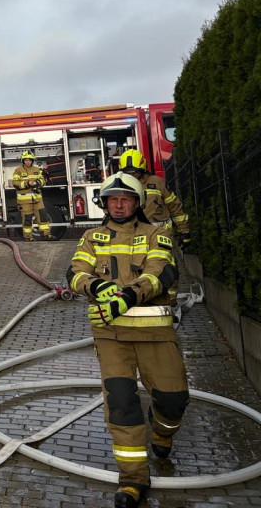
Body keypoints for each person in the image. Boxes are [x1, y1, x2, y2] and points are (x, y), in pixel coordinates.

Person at [66, 174, 188, 508]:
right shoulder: (92, 237)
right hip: (111, 336)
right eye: (112, 199)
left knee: (173, 399)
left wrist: (130, 296)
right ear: (104, 203)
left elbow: (160, 273)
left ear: (136, 203)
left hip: (155, 333)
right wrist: (96, 287)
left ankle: (163, 433)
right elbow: (75, 272)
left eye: (126, 199)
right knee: (121, 404)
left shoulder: (156, 233)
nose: (119, 205)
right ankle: (133, 479)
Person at [118, 149, 191, 251]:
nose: (131, 175)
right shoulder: (118, 186)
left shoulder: (157, 183)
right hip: (131, 240)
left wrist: (184, 231)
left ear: (142, 169)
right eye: (127, 172)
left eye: (134, 172)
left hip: (160, 238)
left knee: (162, 265)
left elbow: (174, 206)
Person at [11, 150, 51, 240]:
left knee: (43, 216)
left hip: (37, 198)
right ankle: (28, 237)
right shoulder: (18, 170)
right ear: (23, 161)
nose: (28, 162)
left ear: (32, 161)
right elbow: (15, 183)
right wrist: (27, 183)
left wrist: (38, 182)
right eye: (26, 160)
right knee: (27, 219)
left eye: (29, 160)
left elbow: (43, 180)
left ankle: (46, 234)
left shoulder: (36, 169)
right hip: (25, 201)